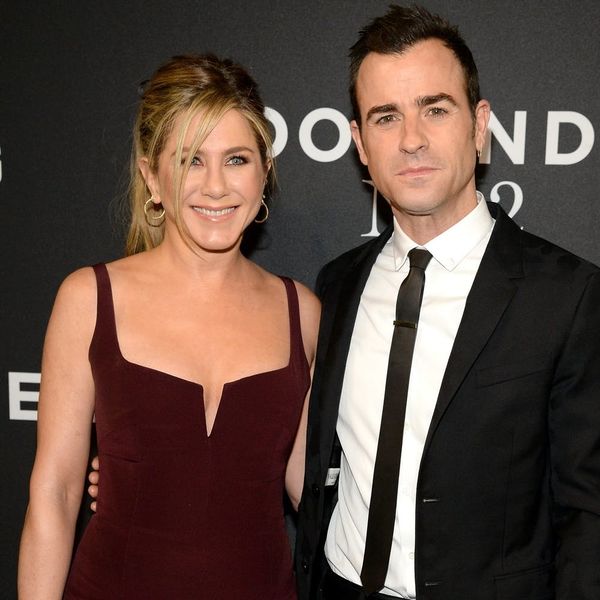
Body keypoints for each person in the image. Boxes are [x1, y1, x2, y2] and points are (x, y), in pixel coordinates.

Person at [294, 5, 600, 600]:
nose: (411, 139)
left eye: (435, 109)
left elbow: (588, 514)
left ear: (479, 125)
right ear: (359, 144)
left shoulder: (569, 296)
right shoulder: (337, 284)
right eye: (386, 117)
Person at [18, 53, 320, 599]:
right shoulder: (89, 299)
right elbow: (55, 496)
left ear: (264, 171)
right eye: (189, 161)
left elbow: (310, 492)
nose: (215, 186)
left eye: (236, 159)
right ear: (151, 176)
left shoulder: (302, 312)